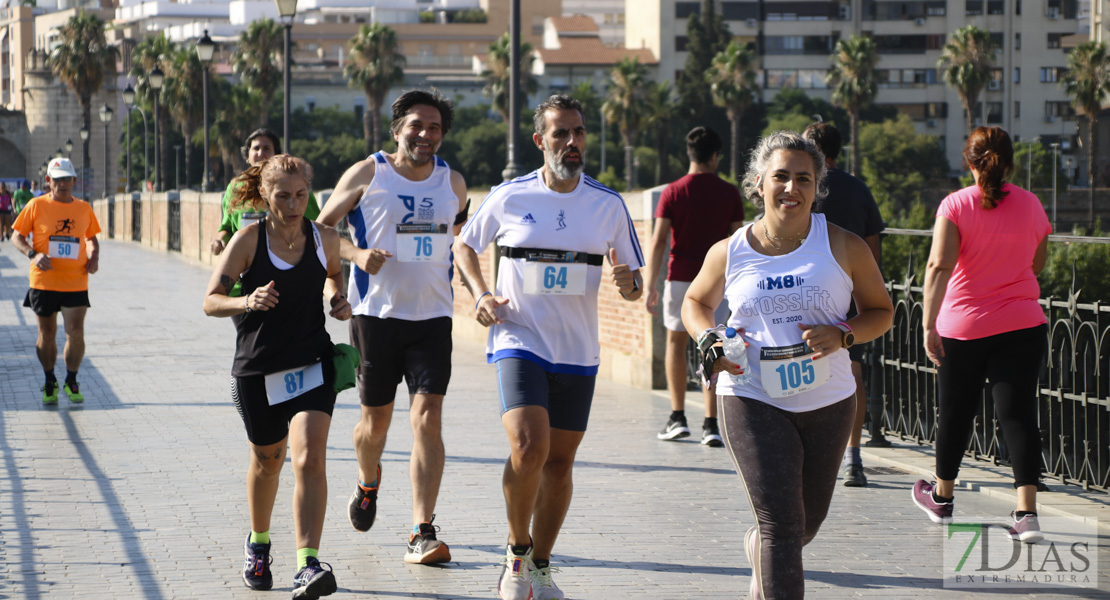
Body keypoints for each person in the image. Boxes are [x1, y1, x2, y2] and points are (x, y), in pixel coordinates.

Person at [681, 131, 892, 599]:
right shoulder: (730, 251)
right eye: (781, 177)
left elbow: (882, 311)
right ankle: (770, 559)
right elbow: (695, 300)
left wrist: (844, 334)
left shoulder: (843, 245)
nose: (791, 188)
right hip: (751, 394)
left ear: (818, 188)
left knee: (803, 526)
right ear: (759, 183)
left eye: (804, 179)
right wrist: (709, 335)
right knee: (782, 525)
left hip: (829, 401)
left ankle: (761, 551)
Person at [454, 94, 645, 600]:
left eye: (579, 132)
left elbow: (634, 287)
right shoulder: (510, 195)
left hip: (578, 351)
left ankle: (541, 563)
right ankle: (516, 557)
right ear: (540, 141)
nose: (572, 142)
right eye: (560, 133)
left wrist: (627, 283)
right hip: (519, 338)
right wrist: (481, 293)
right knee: (528, 447)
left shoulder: (608, 205)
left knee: (559, 464)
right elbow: (465, 245)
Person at [316, 89, 468, 565]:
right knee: (374, 425)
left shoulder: (454, 183)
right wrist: (356, 256)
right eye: (417, 126)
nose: (426, 135)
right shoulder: (370, 173)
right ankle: (367, 480)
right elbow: (321, 228)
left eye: (435, 128)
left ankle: (423, 529)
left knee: (428, 419)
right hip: (375, 317)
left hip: (433, 318)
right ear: (398, 128)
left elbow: (460, 240)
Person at [202, 154, 352, 599]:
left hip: (311, 364)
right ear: (264, 195)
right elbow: (210, 300)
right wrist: (246, 301)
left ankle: (308, 564)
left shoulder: (325, 236)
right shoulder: (249, 239)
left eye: (301, 195)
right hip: (259, 368)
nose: (292, 204)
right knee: (269, 463)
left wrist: (337, 298)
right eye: (282, 195)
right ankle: (259, 543)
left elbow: (334, 275)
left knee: (309, 457)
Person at [914, 126, 1049, 544]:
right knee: (1018, 416)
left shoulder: (955, 205)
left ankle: (943, 496)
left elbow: (938, 266)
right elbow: (1037, 263)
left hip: (964, 328)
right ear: (1009, 162)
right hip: (1024, 324)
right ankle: (1026, 513)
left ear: (968, 162)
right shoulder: (1032, 205)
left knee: (955, 412)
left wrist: (927, 324)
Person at [645, 126, 744, 446]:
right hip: (719, 283)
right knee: (713, 345)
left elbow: (659, 240)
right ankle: (710, 422)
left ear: (690, 154)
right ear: (715, 157)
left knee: (675, 344)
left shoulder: (673, 192)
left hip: (681, 279)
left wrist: (649, 285)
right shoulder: (729, 193)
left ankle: (677, 417)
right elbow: (737, 243)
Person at [803, 122, 885, 488]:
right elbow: (872, 250)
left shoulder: (805, 188)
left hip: (806, 294)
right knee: (852, 373)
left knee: (802, 366)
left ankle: (810, 452)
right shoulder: (859, 189)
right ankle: (853, 457)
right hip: (851, 298)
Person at [12, 158, 101, 404]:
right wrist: (33, 254)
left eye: (67, 179)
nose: (63, 184)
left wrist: (94, 256)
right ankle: (49, 379)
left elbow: (92, 239)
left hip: (76, 282)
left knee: (76, 331)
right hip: (43, 282)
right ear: (48, 181)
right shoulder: (35, 205)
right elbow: (16, 236)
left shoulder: (84, 208)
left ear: (74, 181)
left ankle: (71, 380)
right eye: (58, 180)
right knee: (47, 333)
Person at [210, 129, 321, 255]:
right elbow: (228, 228)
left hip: (285, 260)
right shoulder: (236, 187)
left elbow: (317, 225)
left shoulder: (294, 185)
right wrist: (219, 242)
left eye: (266, 148)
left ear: (276, 154)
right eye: (256, 148)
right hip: (245, 263)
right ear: (248, 156)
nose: (261, 153)